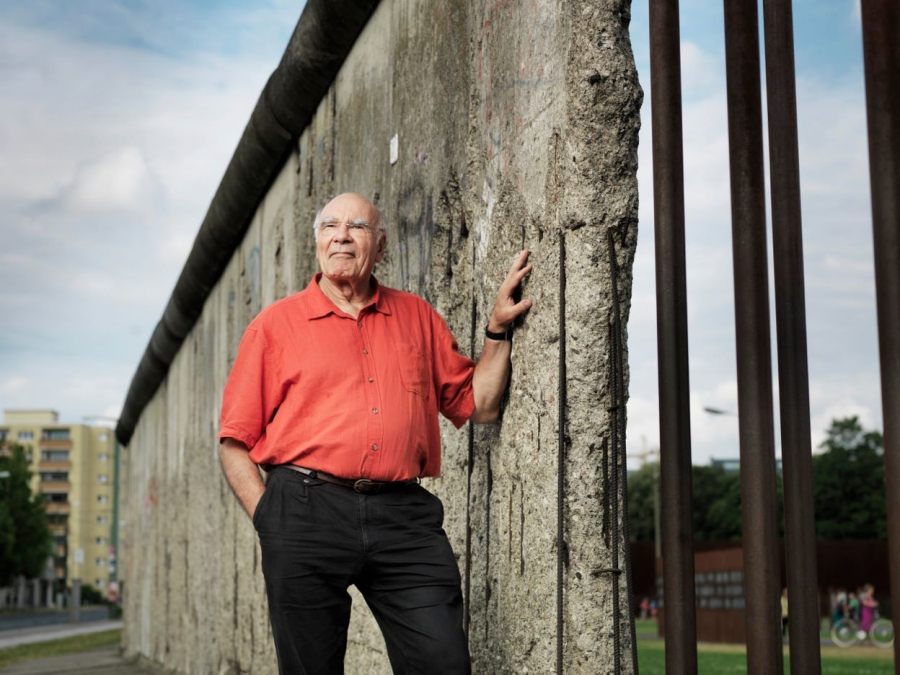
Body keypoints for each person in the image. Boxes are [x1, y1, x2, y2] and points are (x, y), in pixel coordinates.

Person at [217, 192, 533, 674]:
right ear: (318, 243)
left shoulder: (417, 316)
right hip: (303, 510)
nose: (342, 235)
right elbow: (234, 441)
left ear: (381, 246)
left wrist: (496, 330)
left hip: (403, 516)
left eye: (358, 227)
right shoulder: (274, 326)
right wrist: (270, 520)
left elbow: (480, 406)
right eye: (331, 227)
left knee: (443, 660)